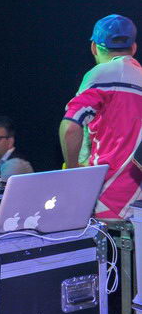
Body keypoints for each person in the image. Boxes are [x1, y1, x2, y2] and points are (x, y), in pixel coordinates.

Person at [60, 14, 142, 220]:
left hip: (109, 198)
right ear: (133, 48)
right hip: (138, 200)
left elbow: (70, 128)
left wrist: (72, 172)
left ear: (94, 47)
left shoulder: (100, 74)